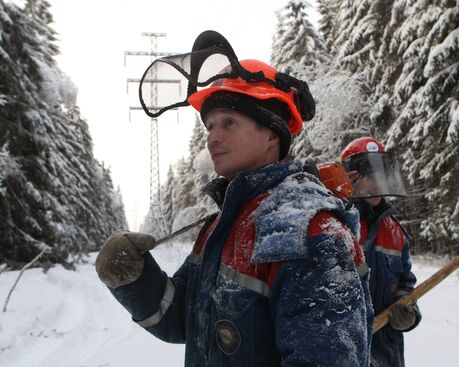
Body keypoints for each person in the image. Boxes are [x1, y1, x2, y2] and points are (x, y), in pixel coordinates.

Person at [95, 30, 373, 366]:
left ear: (272, 132)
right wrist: (134, 278)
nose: (212, 137)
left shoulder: (311, 233)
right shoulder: (221, 226)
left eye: (229, 122)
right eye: (209, 125)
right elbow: (183, 318)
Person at [340, 136, 421, 367]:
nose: (376, 182)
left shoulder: (395, 232)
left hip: (389, 352)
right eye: (368, 174)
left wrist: (409, 311)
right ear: (349, 178)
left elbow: (405, 283)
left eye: (380, 173)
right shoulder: (338, 225)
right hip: (349, 351)